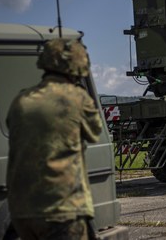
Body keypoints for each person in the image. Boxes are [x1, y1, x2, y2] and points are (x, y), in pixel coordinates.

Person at [6, 38, 102, 240]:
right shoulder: (76, 97)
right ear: (78, 64)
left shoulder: (21, 100)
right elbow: (95, 132)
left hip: (21, 211)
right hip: (61, 207)